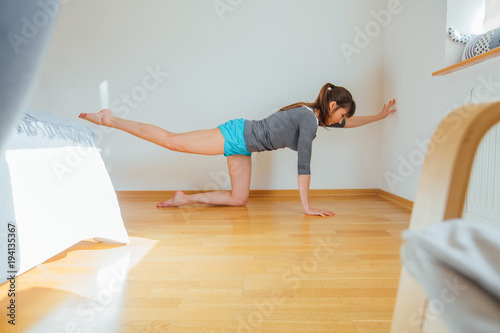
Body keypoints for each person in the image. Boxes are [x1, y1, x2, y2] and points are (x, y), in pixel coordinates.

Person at [79, 83, 396, 217]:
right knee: (172, 140)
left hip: (245, 147)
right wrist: (308, 208)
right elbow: (304, 166)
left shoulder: (310, 116)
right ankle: (111, 119)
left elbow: (345, 125)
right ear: (331, 105)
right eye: (341, 114)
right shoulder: (308, 120)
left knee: (238, 200)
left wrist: (380, 117)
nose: (341, 121)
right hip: (236, 135)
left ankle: (182, 199)